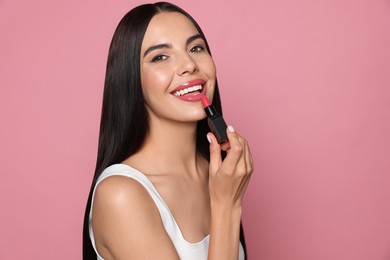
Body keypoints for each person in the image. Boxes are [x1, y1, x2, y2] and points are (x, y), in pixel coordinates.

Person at [82, 2, 253, 259]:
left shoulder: (217, 174)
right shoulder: (121, 195)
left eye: (196, 48)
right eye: (160, 56)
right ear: (132, 81)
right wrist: (227, 206)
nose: (189, 65)